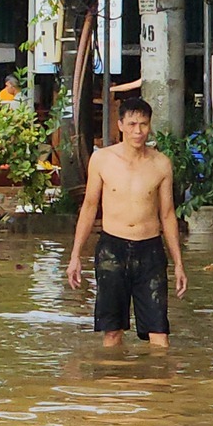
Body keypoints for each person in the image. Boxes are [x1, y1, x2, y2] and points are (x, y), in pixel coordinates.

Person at [65, 97, 188, 349]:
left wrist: (178, 263)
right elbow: (89, 207)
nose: (138, 131)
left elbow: (167, 214)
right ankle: (112, 384)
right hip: (112, 249)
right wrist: (75, 255)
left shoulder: (161, 163)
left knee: (159, 335)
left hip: (150, 251)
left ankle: (160, 385)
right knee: (112, 333)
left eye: (143, 124)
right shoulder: (102, 160)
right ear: (120, 125)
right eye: (132, 124)